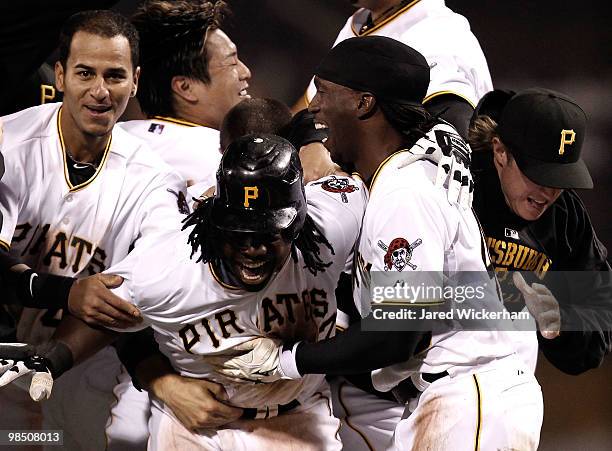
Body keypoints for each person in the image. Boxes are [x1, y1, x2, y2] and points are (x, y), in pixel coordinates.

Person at [215, 36, 543, 450]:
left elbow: (398, 330)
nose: (313, 106)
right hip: (448, 392)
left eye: (324, 91)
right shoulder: (398, 175)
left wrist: (287, 360)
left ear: (364, 103)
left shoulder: (404, 190)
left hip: (470, 392)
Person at [2, 134, 367, 450]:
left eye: (268, 234)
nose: (253, 249)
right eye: (240, 233)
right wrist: (53, 359)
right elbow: (108, 312)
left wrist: (289, 361)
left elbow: (401, 332)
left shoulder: (338, 222)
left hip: (306, 415)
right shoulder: (168, 266)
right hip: (197, 428)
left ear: (299, 223)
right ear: (214, 220)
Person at [0, 10, 187, 449]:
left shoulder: (157, 179)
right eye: (85, 73)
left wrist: (52, 360)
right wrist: (67, 292)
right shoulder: (9, 144)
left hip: (80, 370)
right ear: (61, 75)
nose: (100, 91)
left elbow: (143, 293)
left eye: (115, 76)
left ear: (136, 81)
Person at [468, 87, 612, 374]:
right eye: (537, 173)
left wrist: (561, 323)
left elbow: (598, 331)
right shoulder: (458, 187)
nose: (548, 191)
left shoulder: (565, 216)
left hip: (510, 381)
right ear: (499, 152)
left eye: (559, 177)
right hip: (427, 380)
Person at [295, 0, 492, 138]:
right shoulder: (359, 23)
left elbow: (451, 130)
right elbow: (303, 112)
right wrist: (312, 139)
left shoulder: (439, 31)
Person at [120, 0, 251, 192]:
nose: (245, 72)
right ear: (186, 87)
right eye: (232, 62)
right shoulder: (226, 158)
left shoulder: (113, 139)